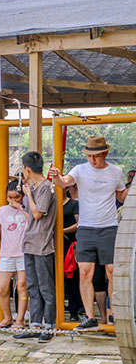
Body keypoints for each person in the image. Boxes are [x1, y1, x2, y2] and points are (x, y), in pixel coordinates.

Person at [50, 136, 128, 330]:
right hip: (85, 227)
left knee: (112, 271)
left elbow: (120, 196)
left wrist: (131, 187)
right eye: (89, 156)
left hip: (109, 226)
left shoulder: (116, 171)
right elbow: (63, 182)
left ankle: (113, 313)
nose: (92, 160)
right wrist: (56, 176)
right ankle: (90, 316)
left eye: (96, 156)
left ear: (105, 153)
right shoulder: (80, 169)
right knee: (85, 272)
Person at [15, 152, 57, 343]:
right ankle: (35, 324)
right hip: (30, 242)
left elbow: (38, 213)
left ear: (28, 169)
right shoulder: (34, 187)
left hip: (43, 243)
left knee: (45, 287)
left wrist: (29, 195)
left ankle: (49, 325)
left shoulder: (46, 187)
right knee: (32, 286)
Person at [0, 180, 29, 329]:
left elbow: (34, 220)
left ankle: (20, 319)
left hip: (23, 252)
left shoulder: (27, 208)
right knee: (1, 288)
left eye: (16, 197)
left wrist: (21, 208)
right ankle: (7, 317)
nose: (13, 200)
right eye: (9, 197)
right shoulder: (2, 210)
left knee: (22, 286)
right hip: (6, 252)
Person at [63, 184, 82, 321]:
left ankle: (74, 310)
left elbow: (78, 223)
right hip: (53, 245)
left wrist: (62, 230)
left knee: (73, 277)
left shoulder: (74, 204)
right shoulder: (51, 204)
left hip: (70, 244)